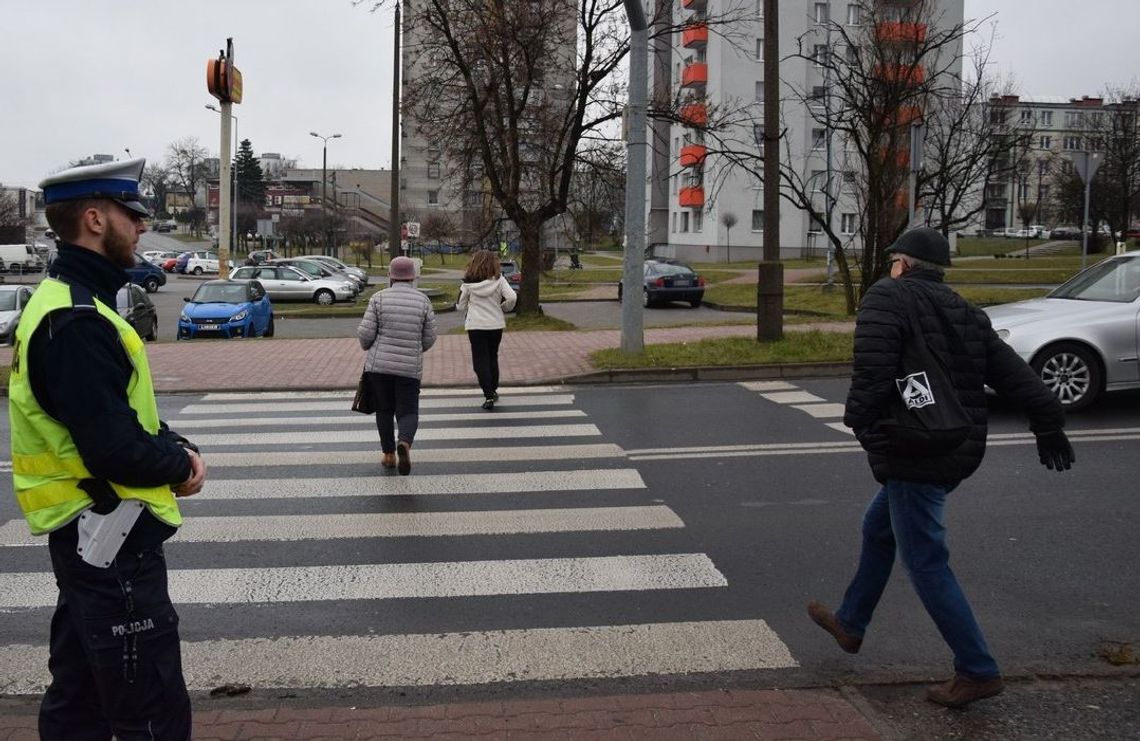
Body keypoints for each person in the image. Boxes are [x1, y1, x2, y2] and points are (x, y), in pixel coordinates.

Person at [807, 227, 1075, 709]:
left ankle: (977, 669)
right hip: (956, 444)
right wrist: (1049, 420)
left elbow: (873, 367)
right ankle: (851, 622)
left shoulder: (886, 296)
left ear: (903, 264)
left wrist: (858, 421)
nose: (890, 266)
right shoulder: (964, 311)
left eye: (893, 260)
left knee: (926, 561)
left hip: (916, 447)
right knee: (879, 528)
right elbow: (1012, 371)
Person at [10, 158, 207, 739]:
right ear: (95, 219)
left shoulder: (67, 303)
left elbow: (116, 415)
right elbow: (115, 448)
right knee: (149, 709)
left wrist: (172, 441)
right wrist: (183, 465)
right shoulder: (76, 320)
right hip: (110, 539)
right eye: (132, 215)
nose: (143, 227)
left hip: (89, 537)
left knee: (81, 698)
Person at [357, 256, 437, 475]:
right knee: (408, 411)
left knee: (384, 410)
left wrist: (368, 347)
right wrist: (415, 349)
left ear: (390, 276)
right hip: (409, 368)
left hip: (379, 368)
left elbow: (365, 334)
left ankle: (389, 455)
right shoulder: (423, 301)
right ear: (412, 276)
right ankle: (405, 443)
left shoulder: (378, 299)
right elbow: (430, 337)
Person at [456, 249, 517, 410]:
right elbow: (512, 297)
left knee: (479, 361)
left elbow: (460, 305)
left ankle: (488, 394)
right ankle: (494, 388)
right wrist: (503, 307)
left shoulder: (467, 284)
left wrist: (468, 306)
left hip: (475, 326)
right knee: (492, 357)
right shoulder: (500, 280)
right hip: (496, 324)